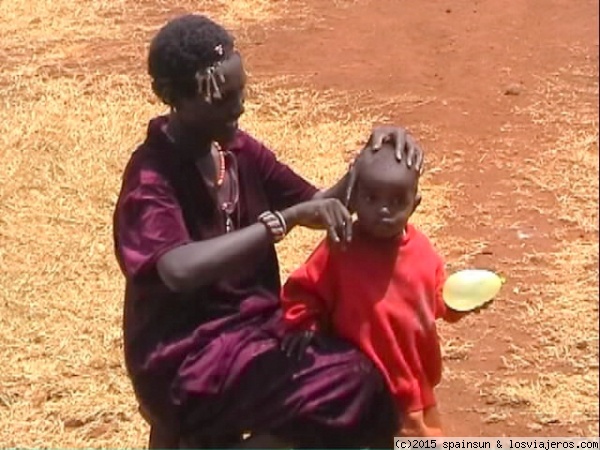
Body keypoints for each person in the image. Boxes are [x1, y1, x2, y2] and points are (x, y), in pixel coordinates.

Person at [112, 13, 424, 449]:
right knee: (354, 385)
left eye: (240, 91)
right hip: (186, 358)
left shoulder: (236, 151)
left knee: (368, 368)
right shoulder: (151, 178)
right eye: (222, 97)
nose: (238, 106)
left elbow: (320, 203)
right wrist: (277, 224)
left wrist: (373, 156)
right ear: (178, 100)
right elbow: (177, 269)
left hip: (253, 335)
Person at [280, 142, 488, 440]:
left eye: (397, 201)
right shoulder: (341, 246)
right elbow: (304, 289)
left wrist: (461, 303)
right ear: (353, 198)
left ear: (415, 204)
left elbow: (436, 301)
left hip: (409, 376)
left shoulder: (422, 253)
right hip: (357, 379)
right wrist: (305, 325)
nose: (383, 210)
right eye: (371, 198)